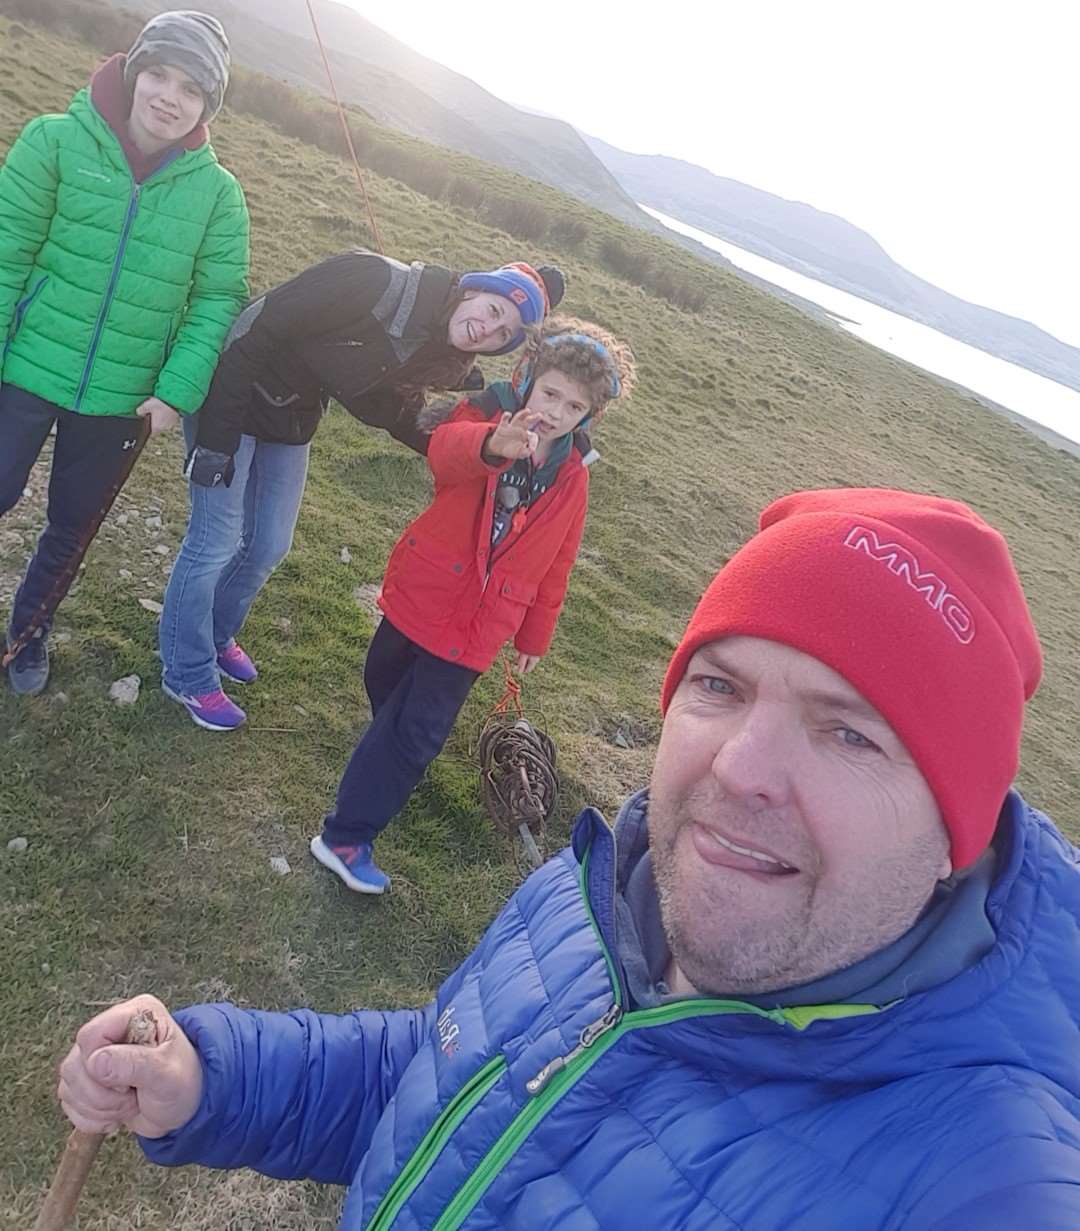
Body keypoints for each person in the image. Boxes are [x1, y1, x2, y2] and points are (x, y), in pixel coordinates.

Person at [56, 488, 1080, 1229]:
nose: (742, 767)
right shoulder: (609, 892)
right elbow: (445, 1077)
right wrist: (216, 1077)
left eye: (850, 733)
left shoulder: (982, 1185)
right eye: (720, 686)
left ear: (954, 831)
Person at [158, 252, 565, 732]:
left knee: (269, 544)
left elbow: (397, 414)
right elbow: (256, 328)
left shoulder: (436, 349)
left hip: (289, 417)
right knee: (214, 541)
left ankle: (214, 633)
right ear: (473, 289)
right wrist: (217, 446)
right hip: (232, 393)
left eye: (503, 336)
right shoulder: (373, 280)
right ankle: (186, 672)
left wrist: (485, 448)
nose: (486, 330)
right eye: (494, 312)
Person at [310, 315, 636, 893]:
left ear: (590, 417)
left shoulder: (573, 479)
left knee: (418, 732)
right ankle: (384, 750)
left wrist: (535, 635)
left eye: (574, 407)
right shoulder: (483, 419)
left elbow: (558, 559)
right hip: (424, 589)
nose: (557, 411)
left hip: (481, 625)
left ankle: (346, 836)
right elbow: (443, 454)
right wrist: (492, 444)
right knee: (384, 678)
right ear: (527, 379)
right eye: (550, 393)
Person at [0, 10, 250, 696]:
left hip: (122, 395)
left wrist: (175, 391)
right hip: (23, 365)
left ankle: (27, 635)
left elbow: (217, 299)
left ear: (208, 105)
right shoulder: (52, 141)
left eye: (192, 89)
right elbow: (6, 251)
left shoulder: (219, 197)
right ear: (134, 70)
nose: (170, 97)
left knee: (72, 524)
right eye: (161, 75)